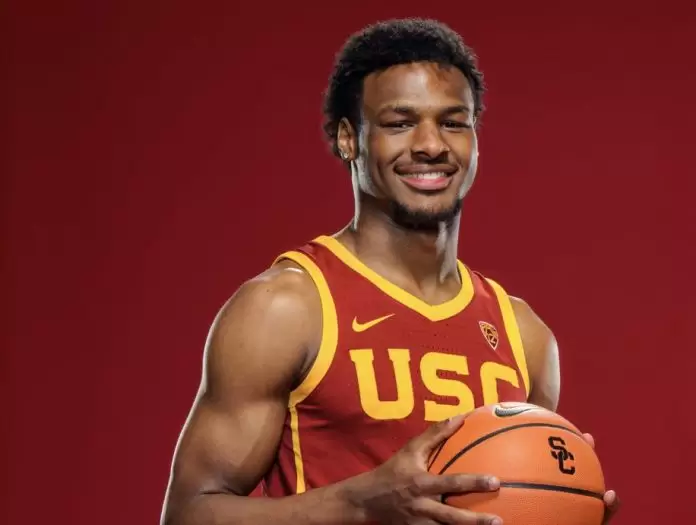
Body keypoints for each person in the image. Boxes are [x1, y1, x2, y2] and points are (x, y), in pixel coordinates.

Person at [160, 18, 619, 525]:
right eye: (400, 123)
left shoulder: (524, 336)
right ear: (349, 139)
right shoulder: (288, 307)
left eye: (453, 122)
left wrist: (565, 505)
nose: (431, 145)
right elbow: (188, 514)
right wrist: (359, 505)